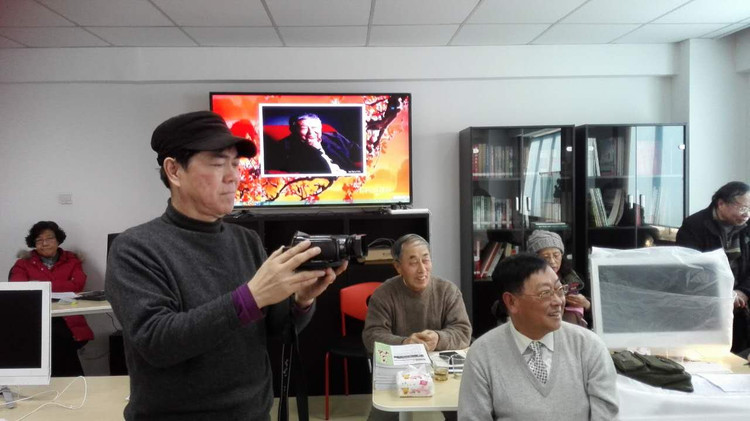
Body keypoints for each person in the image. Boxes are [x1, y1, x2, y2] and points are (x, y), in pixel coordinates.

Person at [105, 111, 347, 421]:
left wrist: (302, 300)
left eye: (235, 164)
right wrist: (250, 297)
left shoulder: (246, 240)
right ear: (174, 171)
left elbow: (278, 330)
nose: (234, 176)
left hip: (254, 413)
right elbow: (156, 343)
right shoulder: (135, 248)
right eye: (218, 164)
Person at [458, 253, 619, 421]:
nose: (558, 301)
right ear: (511, 302)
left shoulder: (589, 346)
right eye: (545, 293)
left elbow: (606, 416)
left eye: (559, 289)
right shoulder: (482, 354)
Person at [362, 234, 472, 421]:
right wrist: (405, 343)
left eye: (426, 260)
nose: (422, 269)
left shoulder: (448, 291)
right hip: (397, 368)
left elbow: (463, 332)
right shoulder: (383, 294)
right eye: (413, 262)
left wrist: (438, 338)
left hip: (442, 370)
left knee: (464, 412)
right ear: (398, 267)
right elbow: (372, 335)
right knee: (382, 416)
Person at [9, 221, 94, 377]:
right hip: (35, 318)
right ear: (34, 244)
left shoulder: (72, 260)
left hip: (68, 319)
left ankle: (67, 383)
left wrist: (40, 285)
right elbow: (19, 289)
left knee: (60, 337)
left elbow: (77, 285)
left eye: (49, 238)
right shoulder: (23, 263)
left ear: (58, 240)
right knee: (52, 338)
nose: (45, 243)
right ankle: (69, 382)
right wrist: (63, 285)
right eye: (39, 240)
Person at [676, 181, 750, 354]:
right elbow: (690, 269)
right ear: (721, 204)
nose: (747, 214)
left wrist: (743, 292)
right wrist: (724, 294)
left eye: (749, 209)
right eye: (742, 208)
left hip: (743, 302)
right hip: (707, 304)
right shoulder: (694, 226)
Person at [526, 230, 591, 327]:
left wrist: (587, 304)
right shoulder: (526, 279)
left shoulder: (572, 277)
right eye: (546, 257)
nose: (552, 261)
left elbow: (600, 313)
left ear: (562, 255)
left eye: (556, 255)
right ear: (535, 259)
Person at [264, 113, 362, 174]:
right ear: (293, 130)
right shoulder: (283, 148)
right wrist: (314, 149)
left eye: (315, 128)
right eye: (304, 128)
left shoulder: (334, 137)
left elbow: (359, 152)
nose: (311, 132)